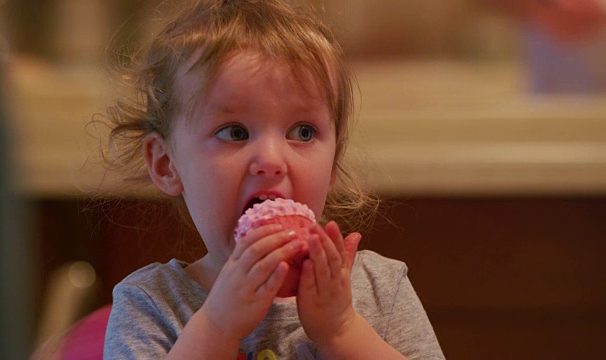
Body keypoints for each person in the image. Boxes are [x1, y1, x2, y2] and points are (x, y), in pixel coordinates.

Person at [102, 1, 444, 359]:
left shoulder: (379, 291)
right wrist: (217, 327)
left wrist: (342, 331)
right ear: (166, 164)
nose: (270, 160)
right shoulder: (151, 305)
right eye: (234, 132)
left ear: (333, 165)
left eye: (302, 131)